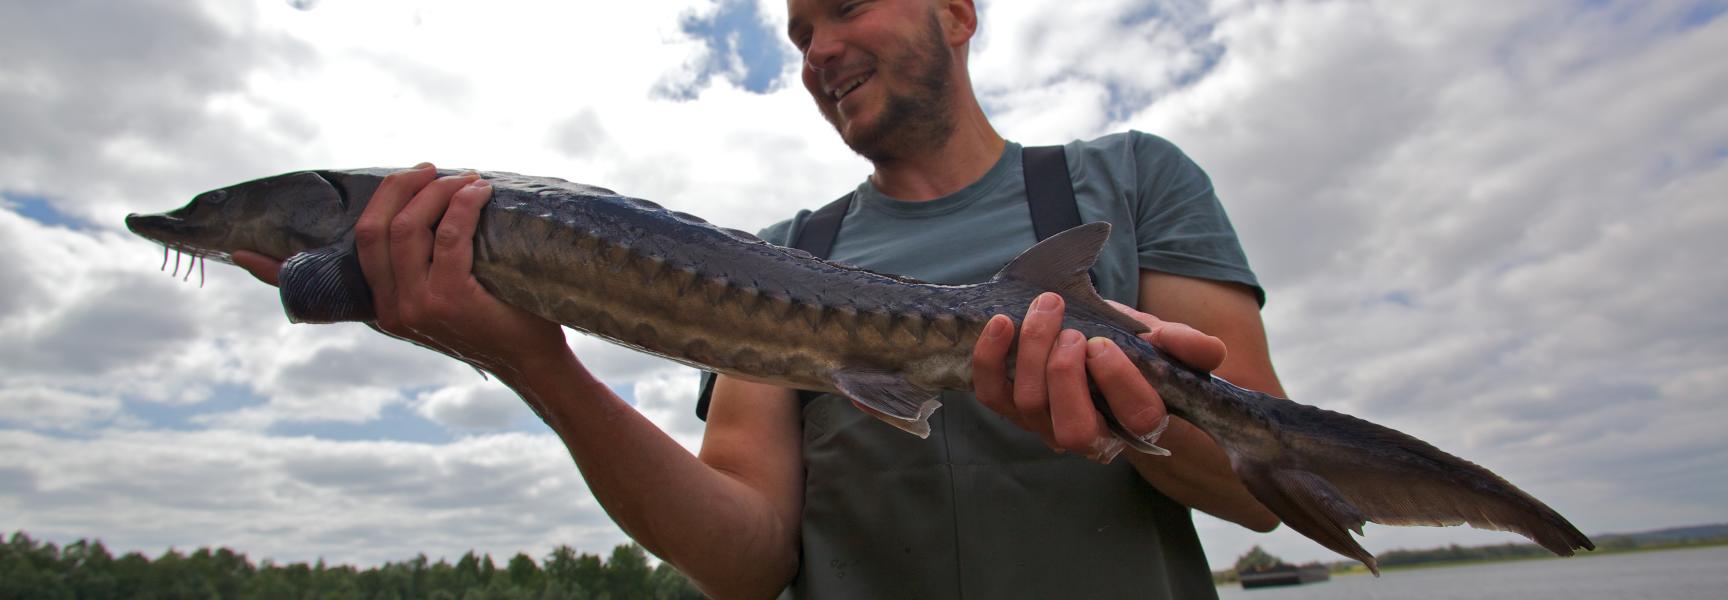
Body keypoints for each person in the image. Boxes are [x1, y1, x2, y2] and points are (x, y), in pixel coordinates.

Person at [237, 1, 1283, 597]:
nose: (818, 50)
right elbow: (747, 558)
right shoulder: (783, 256)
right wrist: (533, 360)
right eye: (798, 34)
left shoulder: (1128, 181)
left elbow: (1260, 490)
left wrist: (1134, 417)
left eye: (847, 5)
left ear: (959, 12)